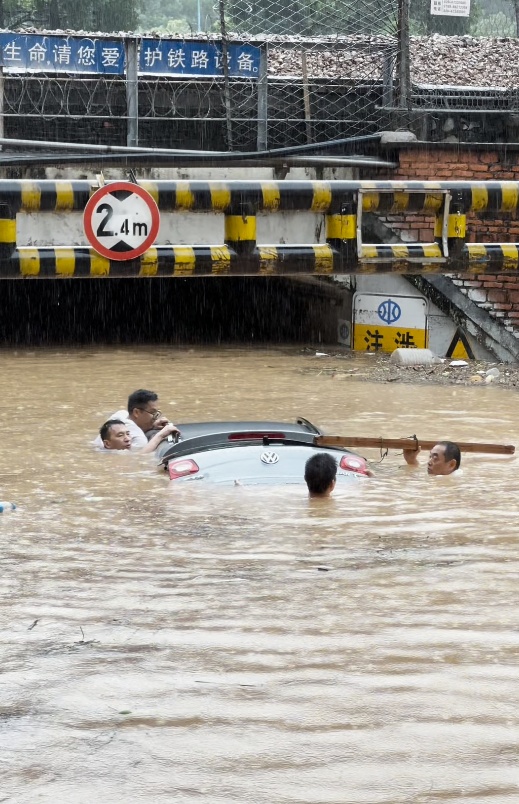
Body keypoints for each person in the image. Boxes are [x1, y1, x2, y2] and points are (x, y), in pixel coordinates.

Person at [92, 389, 179, 450]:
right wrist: (161, 435)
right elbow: (139, 457)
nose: (155, 417)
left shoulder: (121, 414)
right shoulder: (140, 439)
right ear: (136, 412)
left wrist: (152, 425)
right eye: (152, 413)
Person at [99, 418, 178, 454]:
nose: (127, 439)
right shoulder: (111, 454)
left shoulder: (125, 449)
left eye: (128, 434)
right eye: (120, 435)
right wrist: (161, 435)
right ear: (107, 444)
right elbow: (141, 455)